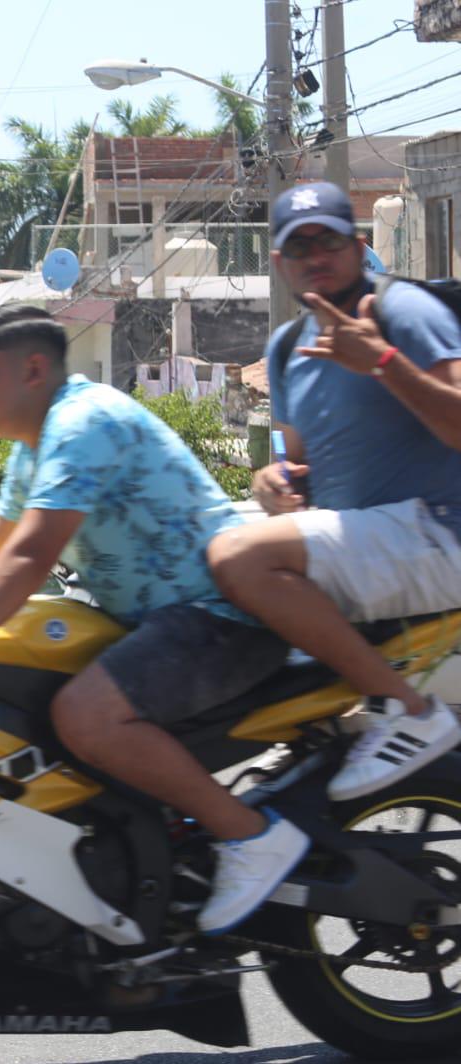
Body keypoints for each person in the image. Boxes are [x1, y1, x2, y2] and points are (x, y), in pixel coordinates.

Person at [0, 309, 304, 935]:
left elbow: (30, 555)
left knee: (85, 714)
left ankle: (249, 835)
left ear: (33, 369)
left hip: (221, 619)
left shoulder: (81, 424)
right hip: (165, 627)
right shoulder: (33, 450)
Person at [206, 182, 461, 800]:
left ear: (358, 244)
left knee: (238, 557)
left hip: (439, 532)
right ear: (279, 263)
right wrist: (273, 484)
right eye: (300, 246)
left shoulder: (403, 313)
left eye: (330, 240)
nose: (317, 256)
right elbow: (302, 468)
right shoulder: (288, 346)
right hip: (379, 546)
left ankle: (411, 713)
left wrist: (380, 362)